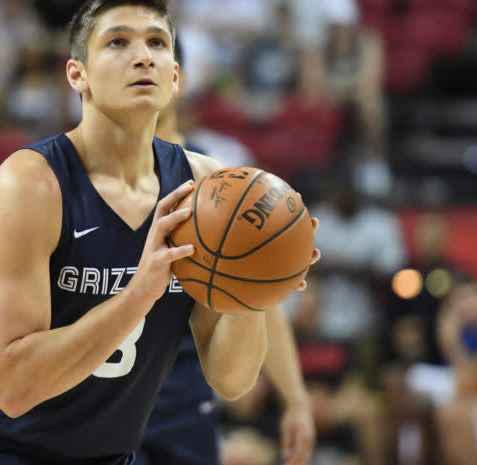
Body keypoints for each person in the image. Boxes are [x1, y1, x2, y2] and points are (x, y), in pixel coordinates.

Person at [0, 2, 321, 465]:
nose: (143, 56)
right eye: (117, 42)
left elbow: (230, 380)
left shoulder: (206, 190)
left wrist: (257, 285)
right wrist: (139, 294)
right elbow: (13, 388)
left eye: (157, 42)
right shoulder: (30, 185)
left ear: (175, 77)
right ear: (78, 75)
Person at [140, 40, 314, 465]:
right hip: (94, 394)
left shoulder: (224, 175)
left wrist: (295, 397)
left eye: (155, 54)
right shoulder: (80, 177)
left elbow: (258, 297)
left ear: (178, 76)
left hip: (182, 387)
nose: (140, 66)